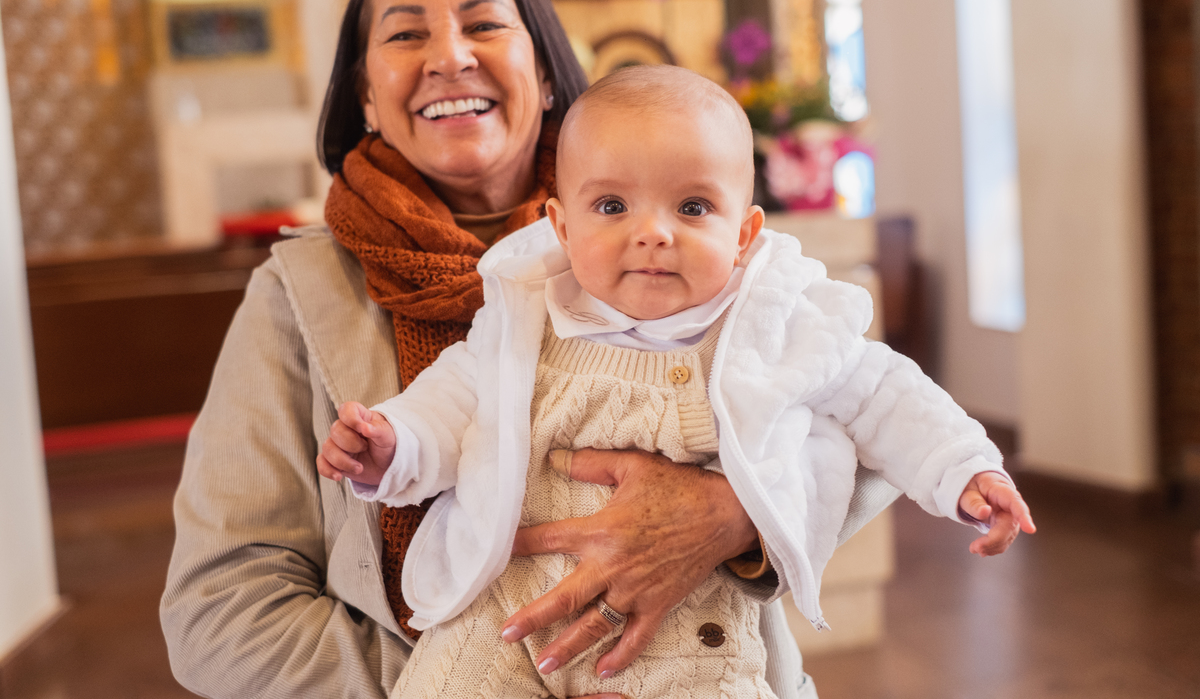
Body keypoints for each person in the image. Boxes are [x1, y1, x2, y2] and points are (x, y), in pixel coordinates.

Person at [160, 0, 921, 699]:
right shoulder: (296, 293)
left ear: (548, 69)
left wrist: (733, 516)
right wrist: (479, 675)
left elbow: (864, 423)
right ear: (365, 95)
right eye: (406, 34)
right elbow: (218, 614)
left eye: (484, 24)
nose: (450, 57)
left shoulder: (687, 246)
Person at [318, 65, 1037, 699]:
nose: (654, 233)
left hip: (684, 638)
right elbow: (452, 403)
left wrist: (963, 468)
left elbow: (885, 393)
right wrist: (394, 444)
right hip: (503, 618)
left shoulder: (772, 324)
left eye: (692, 207)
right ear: (561, 227)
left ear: (744, 233)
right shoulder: (526, 318)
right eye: (612, 207)